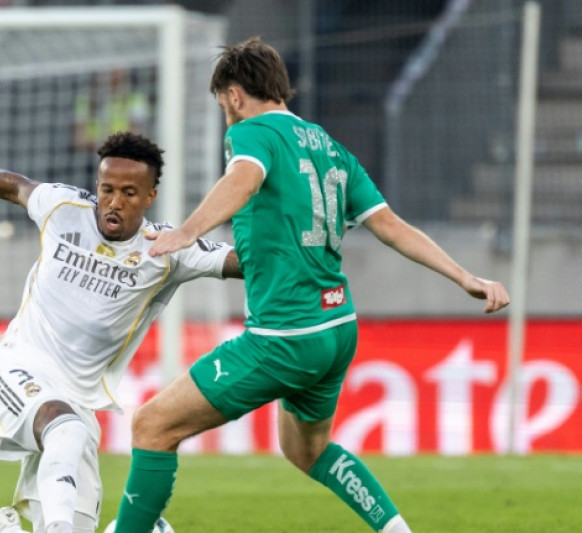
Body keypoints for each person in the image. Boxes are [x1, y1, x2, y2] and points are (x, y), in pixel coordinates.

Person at [112, 37, 511, 533]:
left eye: (222, 106)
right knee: (306, 450)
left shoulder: (253, 132)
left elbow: (243, 179)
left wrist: (187, 231)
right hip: (338, 328)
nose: (226, 118)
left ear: (235, 97)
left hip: (284, 336)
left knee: (151, 425)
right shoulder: (332, 148)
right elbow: (390, 225)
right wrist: (464, 276)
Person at [0, 131, 243, 533]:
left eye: (129, 193)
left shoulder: (166, 249)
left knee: (76, 499)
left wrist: (298, 242)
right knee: (67, 430)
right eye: (106, 189)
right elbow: (13, 185)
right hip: (15, 370)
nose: (113, 203)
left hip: (77, 401)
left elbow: (240, 262)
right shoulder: (64, 207)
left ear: (150, 196)